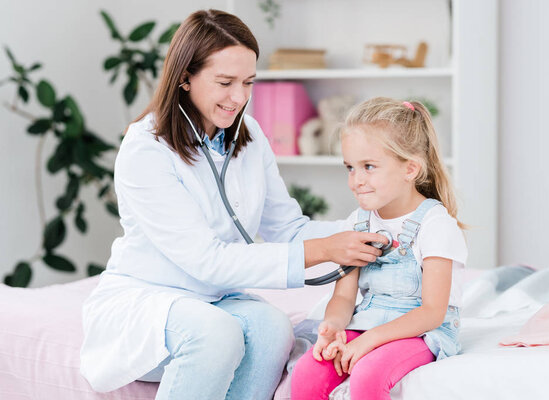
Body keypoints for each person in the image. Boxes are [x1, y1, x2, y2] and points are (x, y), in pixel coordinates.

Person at [79, 10, 388, 400]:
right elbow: (206, 260)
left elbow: (288, 228)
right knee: (215, 333)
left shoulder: (249, 135)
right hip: (149, 298)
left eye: (248, 82)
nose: (239, 97)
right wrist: (324, 250)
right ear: (185, 77)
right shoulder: (146, 148)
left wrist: (367, 229)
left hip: (215, 298)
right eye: (225, 82)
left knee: (274, 328)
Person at [290, 98, 468, 400]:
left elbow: (432, 312)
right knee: (308, 373)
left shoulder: (436, 225)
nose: (356, 181)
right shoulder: (357, 223)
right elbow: (344, 297)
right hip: (368, 323)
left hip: (422, 332)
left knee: (368, 376)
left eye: (368, 167)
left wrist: (368, 341)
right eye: (350, 167)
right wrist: (333, 327)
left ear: (410, 168)